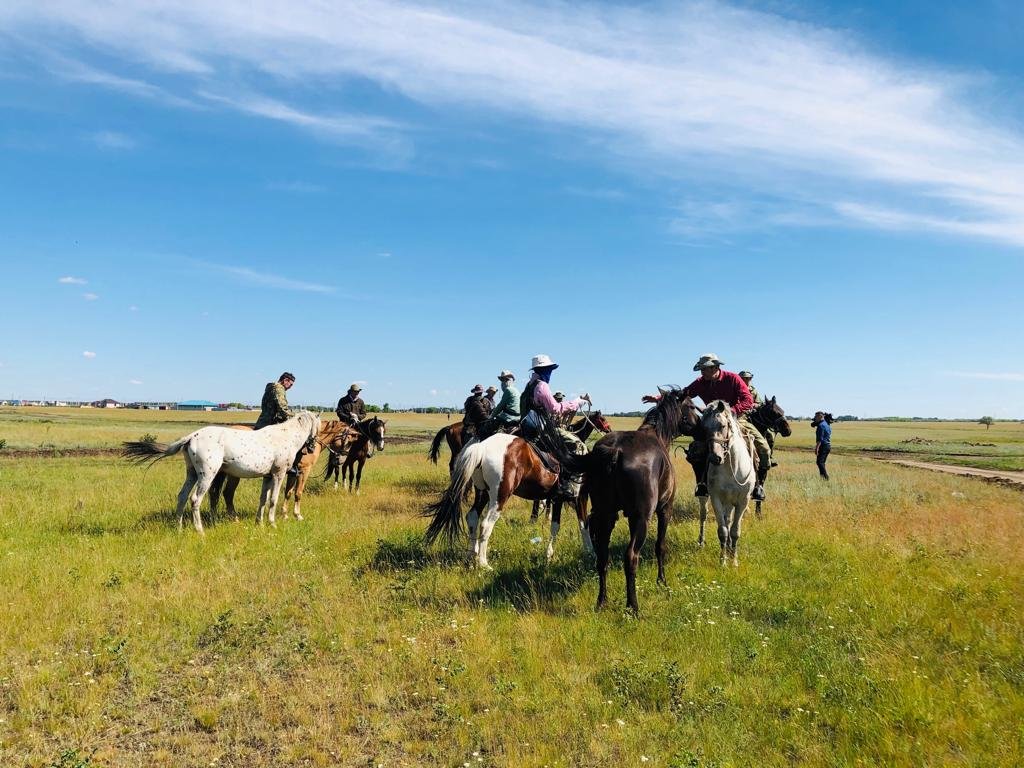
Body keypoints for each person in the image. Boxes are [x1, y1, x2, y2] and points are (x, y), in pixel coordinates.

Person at [643, 353, 772, 501]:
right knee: (696, 449)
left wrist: (730, 412)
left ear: (715, 367)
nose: (702, 372)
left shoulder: (733, 379)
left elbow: (747, 400)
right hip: (710, 421)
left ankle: (758, 486)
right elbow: (683, 394)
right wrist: (659, 398)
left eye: (704, 369)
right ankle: (703, 483)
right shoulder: (700, 382)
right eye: (701, 369)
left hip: (736, 419)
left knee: (764, 448)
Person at [520, 354, 591, 499]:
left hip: (525, 424)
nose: (550, 372)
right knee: (577, 444)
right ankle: (566, 485)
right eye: (549, 369)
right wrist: (578, 402)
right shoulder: (542, 386)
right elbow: (555, 409)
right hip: (540, 427)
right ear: (543, 369)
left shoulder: (530, 384)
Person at [255, 371, 305, 475]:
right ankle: (288, 466)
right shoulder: (279, 388)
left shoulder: (270, 387)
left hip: (264, 420)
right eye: (290, 384)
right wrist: (296, 417)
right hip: (272, 423)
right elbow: (282, 408)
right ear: (285, 380)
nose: (290, 387)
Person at [812, 411, 834, 480]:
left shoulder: (821, 426)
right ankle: (822, 478)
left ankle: (826, 478)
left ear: (821, 416)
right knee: (822, 462)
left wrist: (816, 448)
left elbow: (820, 439)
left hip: (823, 446)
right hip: (828, 446)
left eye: (816, 417)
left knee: (819, 462)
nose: (815, 418)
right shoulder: (827, 424)